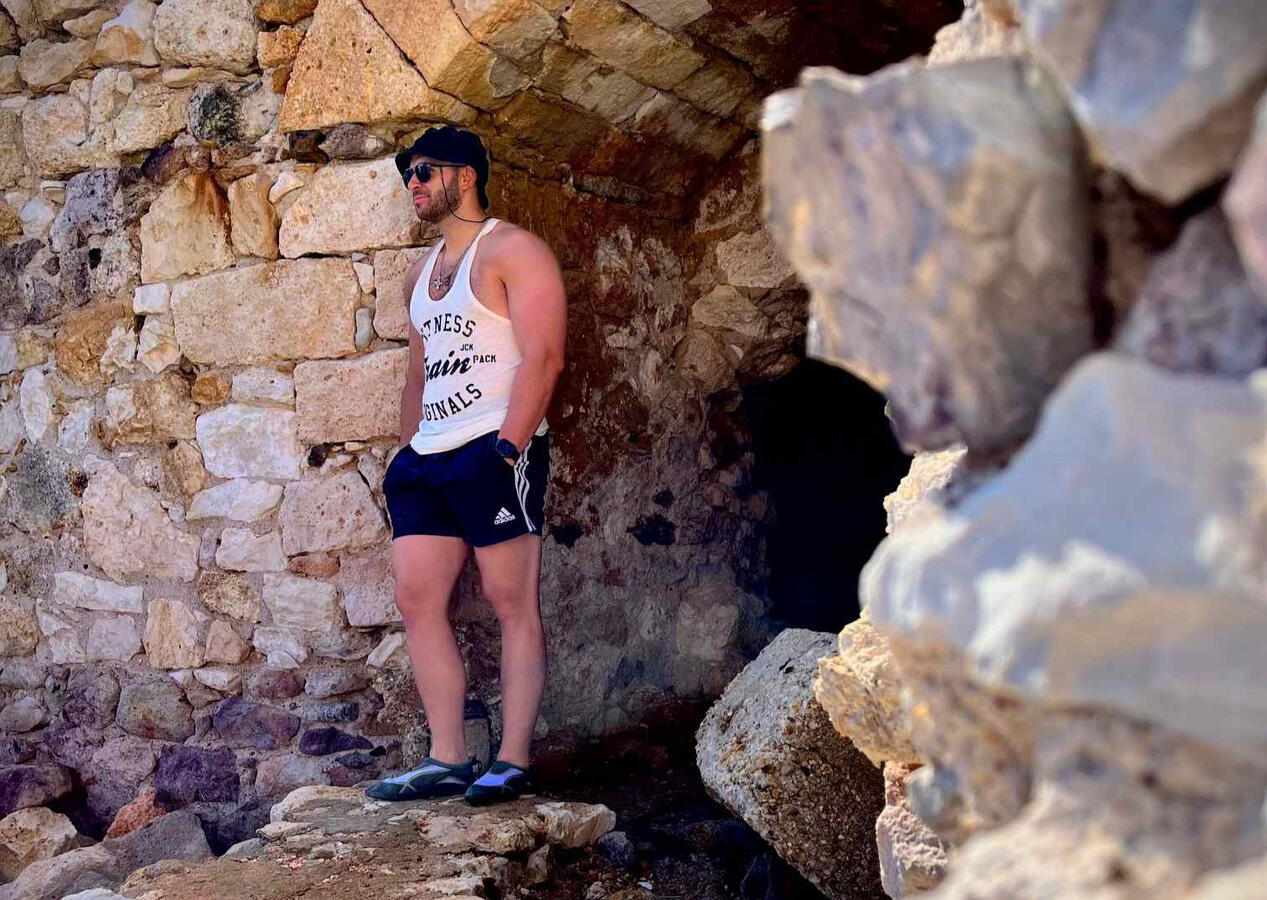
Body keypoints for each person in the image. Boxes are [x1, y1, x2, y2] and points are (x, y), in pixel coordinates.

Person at [365, 126, 566, 806]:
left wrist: (507, 449)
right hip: (427, 461)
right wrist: (406, 452)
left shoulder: (514, 249)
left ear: (466, 175)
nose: (414, 185)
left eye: (423, 172)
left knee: (512, 603)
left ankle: (511, 759)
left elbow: (543, 358)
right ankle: (447, 756)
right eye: (408, 177)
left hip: (493, 447)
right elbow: (417, 375)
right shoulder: (418, 275)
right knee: (417, 602)